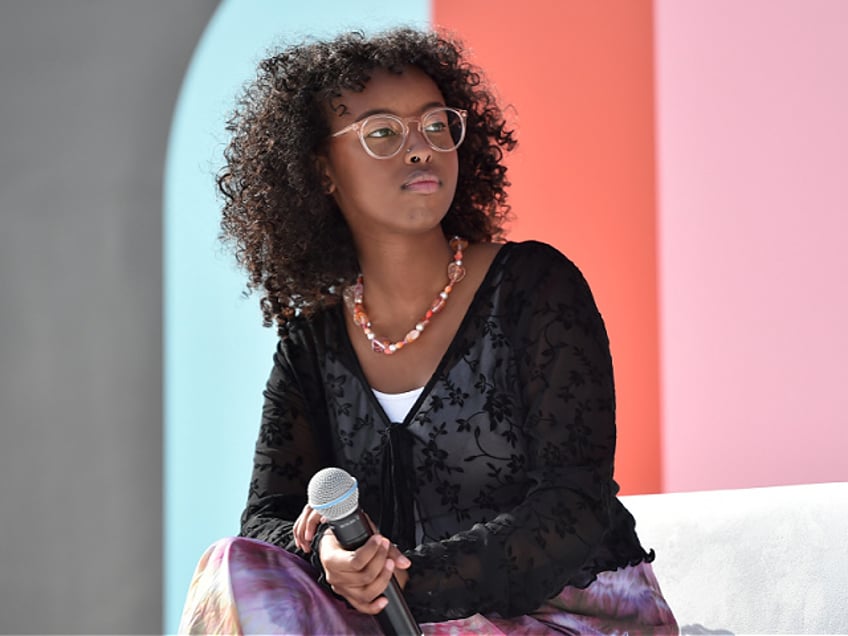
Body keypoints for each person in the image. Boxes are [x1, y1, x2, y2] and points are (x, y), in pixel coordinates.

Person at [178, 28, 678, 635]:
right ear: (322, 170)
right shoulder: (312, 343)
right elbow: (267, 517)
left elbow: (572, 506)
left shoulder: (534, 287)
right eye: (384, 132)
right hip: (404, 622)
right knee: (233, 564)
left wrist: (409, 575)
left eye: (436, 125)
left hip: (573, 616)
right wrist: (330, 559)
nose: (420, 149)